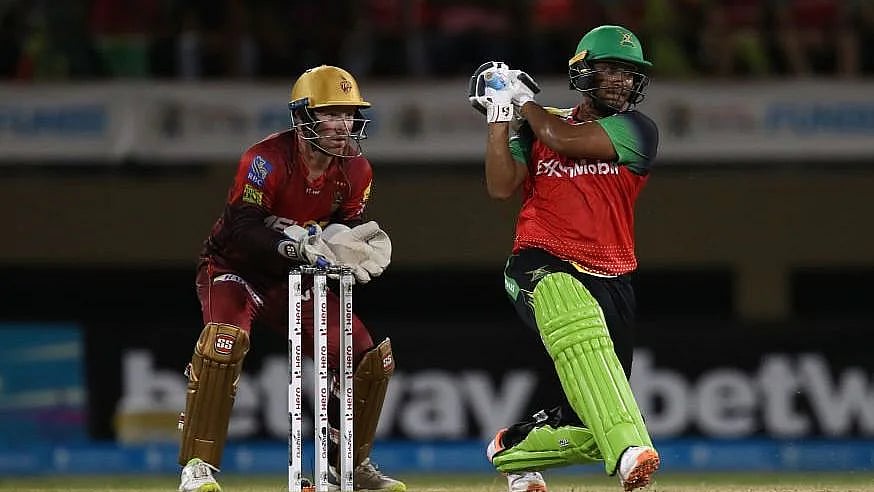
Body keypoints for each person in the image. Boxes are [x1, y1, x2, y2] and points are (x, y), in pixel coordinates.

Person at [177, 64, 405, 492]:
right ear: (302, 117)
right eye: (330, 114)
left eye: (349, 114)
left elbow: (346, 226)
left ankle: (346, 465)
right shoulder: (265, 160)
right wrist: (293, 244)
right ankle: (197, 466)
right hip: (234, 268)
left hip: (293, 279)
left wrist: (343, 245)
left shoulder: (357, 170)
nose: (343, 125)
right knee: (224, 343)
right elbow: (243, 228)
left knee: (368, 358)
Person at [468, 25, 660, 492]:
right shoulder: (536, 124)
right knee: (579, 322)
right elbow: (500, 185)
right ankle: (630, 449)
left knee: (592, 423)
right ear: (583, 73)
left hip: (613, 276)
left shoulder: (638, 129)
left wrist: (523, 103)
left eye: (628, 73)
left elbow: (563, 138)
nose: (620, 81)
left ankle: (513, 450)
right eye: (610, 69)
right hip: (540, 261)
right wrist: (499, 115)